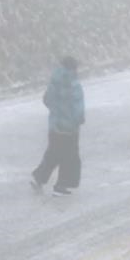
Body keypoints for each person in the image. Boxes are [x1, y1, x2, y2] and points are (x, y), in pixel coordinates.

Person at [32, 56, 85, 196]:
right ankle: (61, 185)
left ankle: (39, 177)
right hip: (70, 128)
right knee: (70, 157)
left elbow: (46, 99)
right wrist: (78, 119)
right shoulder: (74, 84)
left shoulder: (54, 82)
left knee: (53, 153)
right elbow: (78, 106)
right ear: (74, 68)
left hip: (55, 126)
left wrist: (57, 113)